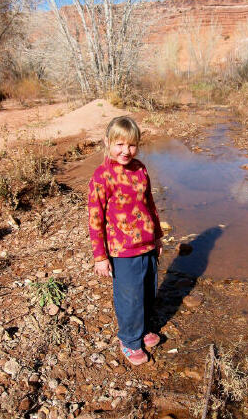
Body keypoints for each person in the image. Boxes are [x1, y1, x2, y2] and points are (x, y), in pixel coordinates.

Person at [88, 116, 163, 366]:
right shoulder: (102, 176)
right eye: (119, 144)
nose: (125, 151)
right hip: (122, 251)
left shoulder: (140, 168)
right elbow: (95, 218)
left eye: (131, 145)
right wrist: (100, 256)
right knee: (129, 296)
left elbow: (150, 204)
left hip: (148, 245)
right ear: (107, 143)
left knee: (147, 292)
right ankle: (129, 340)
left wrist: (158, 237)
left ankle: (142, 330)